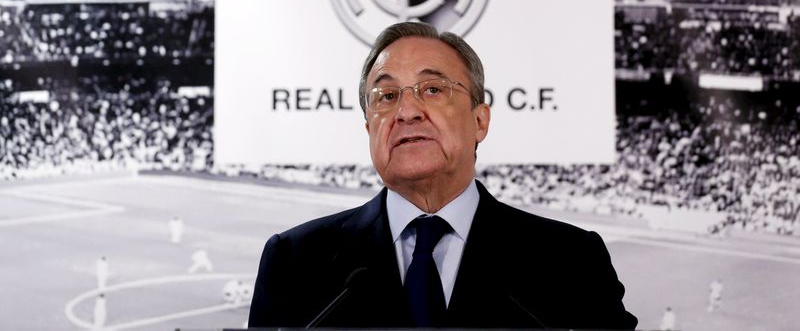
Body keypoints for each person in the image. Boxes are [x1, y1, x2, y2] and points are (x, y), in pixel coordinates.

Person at [248, 22, 637, 329]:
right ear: (370, 129)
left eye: (433, 89)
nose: (407, 111)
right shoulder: (294, 262)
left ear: (480, 121)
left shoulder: (570, 262)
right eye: (386, 96)